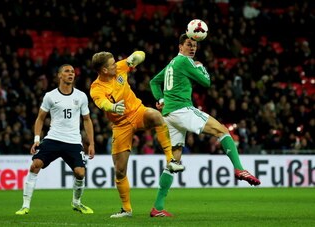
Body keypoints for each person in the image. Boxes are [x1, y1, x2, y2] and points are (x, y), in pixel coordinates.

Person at [149, 34, 261, 217]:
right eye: (189, 44)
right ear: (180, 47)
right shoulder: (185, 61)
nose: (192, 48)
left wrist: (161, 98)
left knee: (173, 161)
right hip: (181, 109)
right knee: (223, 131)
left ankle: (158, 207)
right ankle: (239, 168)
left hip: (168, 114)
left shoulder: (172, 63)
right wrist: (202, 67)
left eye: (194, 45)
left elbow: (153, 82)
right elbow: (206, 82)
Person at [90, 51, 185, 218]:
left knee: (156, 116)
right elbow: (101, 102)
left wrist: (136, 57)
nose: (116, 64)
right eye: (112, 64)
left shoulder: (119, 68)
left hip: (137, 112)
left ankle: (170, 160)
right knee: (120, 171)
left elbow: (140, 55)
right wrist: (112, 108)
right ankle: (126, 210)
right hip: (120, 125)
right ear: (104, 70)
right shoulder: (96, 87)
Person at [15, 64, 95, 215]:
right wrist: (37, 139)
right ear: (59, 75)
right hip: (54, 138)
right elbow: (40, 118)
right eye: (67, 71)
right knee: (35, 165)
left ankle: (77, 203)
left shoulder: (81, 96)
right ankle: (25, 206)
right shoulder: (50, 96)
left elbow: (87, 120)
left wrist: (91, 143)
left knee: (80, 173)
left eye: (72, 71)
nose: (70, 74)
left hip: (73, 141)